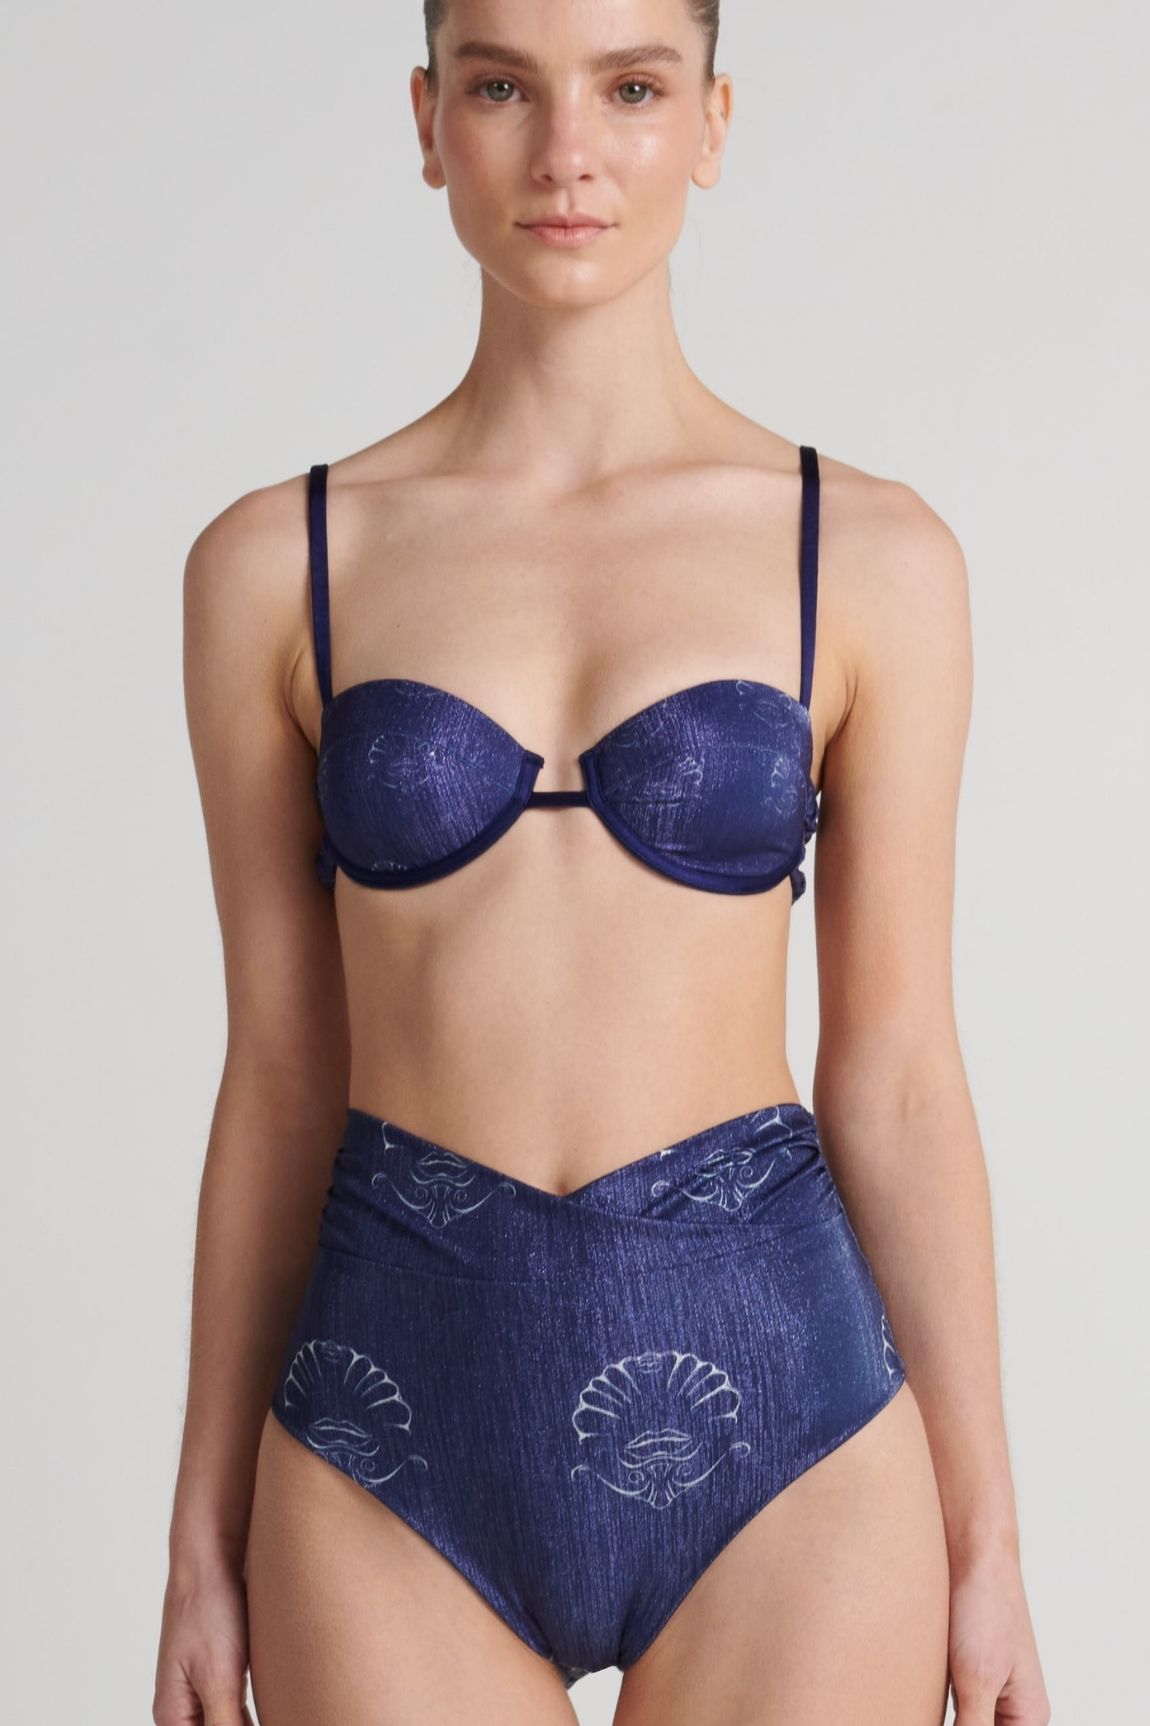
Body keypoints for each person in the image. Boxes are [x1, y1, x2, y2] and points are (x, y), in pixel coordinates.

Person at [154, 4, 1050, 1724]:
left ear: (711, 122)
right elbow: (276, 1072)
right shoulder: (276, 567)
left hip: (791, 1427)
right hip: (386, 1414)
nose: (567, 152)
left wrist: (988, 1534)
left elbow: (895, 1073)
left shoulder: (869, 557)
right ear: (428, 119)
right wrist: (200, 1533)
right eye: (501, 85)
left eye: (631, 88)